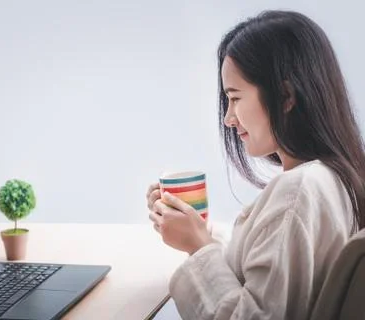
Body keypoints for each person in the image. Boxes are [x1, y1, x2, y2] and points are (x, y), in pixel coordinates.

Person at [146, 10, 365, 320]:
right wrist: (196, 233)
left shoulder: (298, 192)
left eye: (235, 98)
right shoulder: (334, 178)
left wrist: (198, 247)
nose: (228, 118)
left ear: (286, 96)